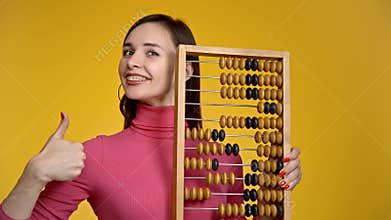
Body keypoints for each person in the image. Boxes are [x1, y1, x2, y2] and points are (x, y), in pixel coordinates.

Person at [0, 14, 302, 220]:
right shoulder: (94, 156)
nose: (132, 61)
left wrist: (273, 195)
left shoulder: (226, 158)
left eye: (151, 53)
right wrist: (33, 175)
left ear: (185, 69)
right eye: (128, 51)